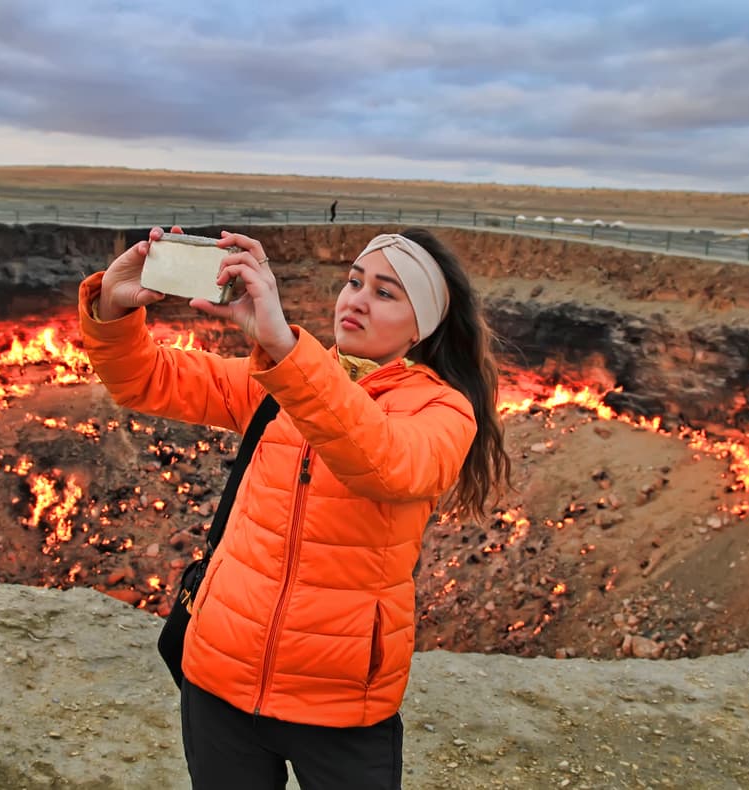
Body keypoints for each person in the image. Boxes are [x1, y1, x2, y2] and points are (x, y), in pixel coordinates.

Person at [79, 226, 510, 789]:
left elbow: (385, 461)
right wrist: (112, 308)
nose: (356, 298)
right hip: (219, 681)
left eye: (385, 292)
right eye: (355, 281)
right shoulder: (281, 381)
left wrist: (285, 349)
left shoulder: (441, 410)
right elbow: (147, 379)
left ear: (422, 325)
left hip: (340, 702)